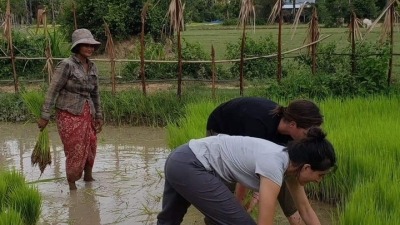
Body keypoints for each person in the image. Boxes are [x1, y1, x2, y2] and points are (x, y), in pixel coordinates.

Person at [157, 127, 336, 225]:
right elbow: (265, 221)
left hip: (180, 157)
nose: (318, 181)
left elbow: (306, 211)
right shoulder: (274, 164)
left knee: (168, 221)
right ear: (306, 167)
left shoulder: (289, 164)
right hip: (193, 165)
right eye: (320, 175)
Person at [205, 97, 324, 225]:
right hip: (222, 131)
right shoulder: (258, 124)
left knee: (283, 170)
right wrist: (238, 208)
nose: (308, 141)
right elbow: (244, 166)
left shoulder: (289, 138)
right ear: (293, 124)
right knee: (225, 195)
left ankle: (296, 220)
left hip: (252, 140)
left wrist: (260, 192)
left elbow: (285, 174)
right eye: (307, 134)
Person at [37, 28, 104, 190]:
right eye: (85, 45)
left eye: (91, 45)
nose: (89, 48)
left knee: (91, 145)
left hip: (88, 112)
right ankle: (72, 185)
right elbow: (53, 91)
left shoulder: (92, 66)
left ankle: (88, 178)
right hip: (69, 114)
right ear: (77, 47)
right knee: (75, 149)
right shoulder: (66, 65)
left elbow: (95, 93)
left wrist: (99, 115)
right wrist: (45, 115)